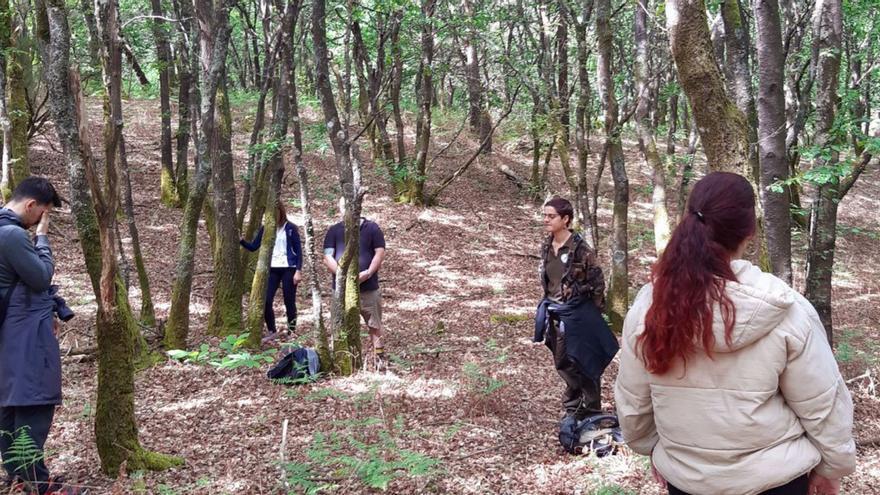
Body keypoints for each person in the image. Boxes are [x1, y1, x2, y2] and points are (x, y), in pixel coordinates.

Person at [614, 172, 855, 495]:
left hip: (687, 482)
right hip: (776, 481)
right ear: (749, 232)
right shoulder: (787, 309)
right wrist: (832, 467)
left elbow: (634, 402)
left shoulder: (650, 307)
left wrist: (655, 451)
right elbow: (823, 403)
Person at [0, 177, 81, 495]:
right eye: (42, 214)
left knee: (9, 408)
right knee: (33, 402)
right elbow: (40, 276)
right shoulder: (11, 235)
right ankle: (38, 484)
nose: (39, 221)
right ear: (31, 205)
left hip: (8, 334)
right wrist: (43, 239)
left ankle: (19, 478)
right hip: (24, 335)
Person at [535, 197, 616, 422]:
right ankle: (577, 403)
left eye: (551, 216)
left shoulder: (581, 249)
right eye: (544, 215)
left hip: (578, 315)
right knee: (562, 361)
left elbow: (598, 283)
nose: (546, 220)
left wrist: (593, 315)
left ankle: (587, 409)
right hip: (554, 311)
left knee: (583, 360)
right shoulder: (546, 246)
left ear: (566, 219)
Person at [322, 197, 386, 368]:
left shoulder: (372, 228)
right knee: (341, 325)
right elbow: (327, 257)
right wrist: (343, 276)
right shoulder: (334, 231)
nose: (346, 209)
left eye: (349, 206)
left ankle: (380, 361)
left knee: (374, 325)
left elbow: (379, 253)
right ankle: (344, 362)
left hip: (368, 288)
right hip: (341, 291)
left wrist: (368, 273)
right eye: (343, 206)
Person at [240, 201, 303, 343]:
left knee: (289, 301)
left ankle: (291, 330)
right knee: (266, 300)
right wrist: (241, 241)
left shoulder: (291, 228)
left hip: (289, 268)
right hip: (272, 268)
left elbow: (298, 251)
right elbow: (253, 247)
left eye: (276, 213)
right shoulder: (266, 229)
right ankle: (272, 330)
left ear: (281, 212)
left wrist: (298, 270)